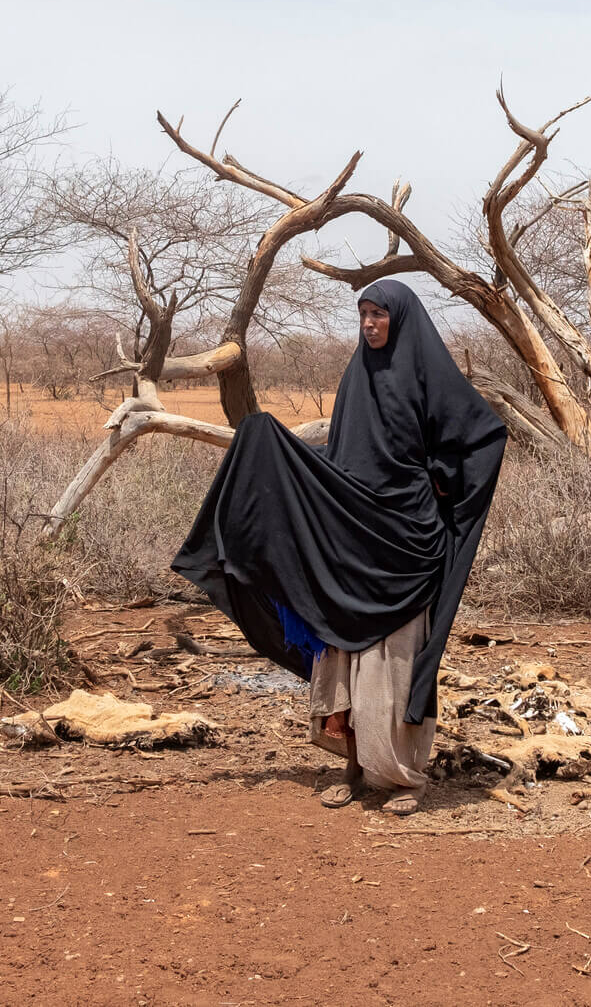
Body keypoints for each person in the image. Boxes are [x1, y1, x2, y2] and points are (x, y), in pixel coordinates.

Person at [171, 280, 506, 814]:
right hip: (350, 534)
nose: (370, 323)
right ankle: (351, 767)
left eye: (379, 315)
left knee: (393, 661)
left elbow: (483, 437)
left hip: (405, 542)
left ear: (401, 318)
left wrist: (440, 478)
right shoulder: (356, 376)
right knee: (341, 653)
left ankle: (403, 778)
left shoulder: (428, 375)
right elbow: (348, 451)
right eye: (363, 314)